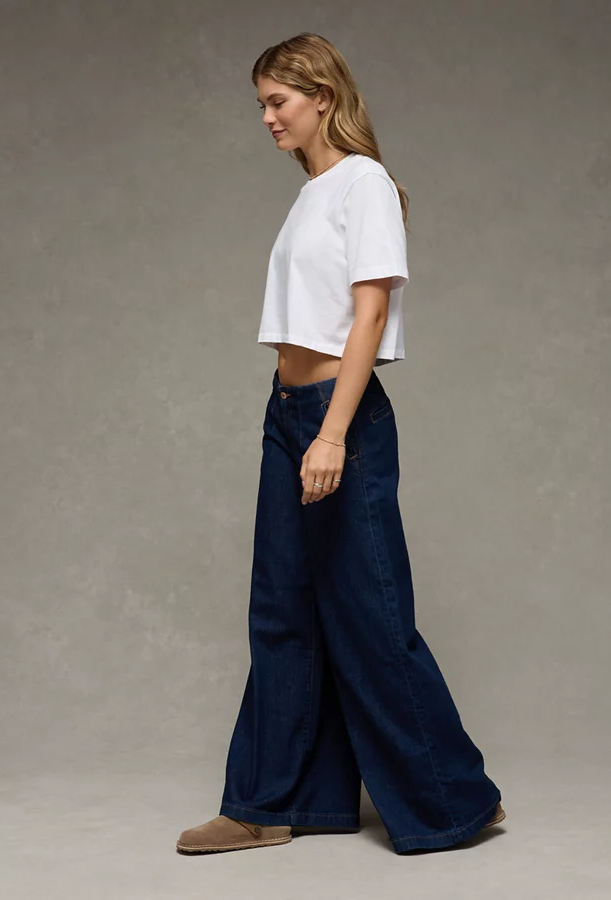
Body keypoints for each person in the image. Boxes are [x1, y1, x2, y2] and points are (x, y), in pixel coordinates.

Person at [177, 32, 504, 856]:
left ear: (322, 96)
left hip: (338, 419)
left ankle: (456, 802)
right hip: (288, 413)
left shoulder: (365, 184)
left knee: (370, 616)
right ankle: (270, 804)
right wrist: (297, 421)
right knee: (282, 611)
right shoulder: (312, 192)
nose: (267, 117)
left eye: (278, 101)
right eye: (260, 104)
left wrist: (330, 434)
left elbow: (370, 313)